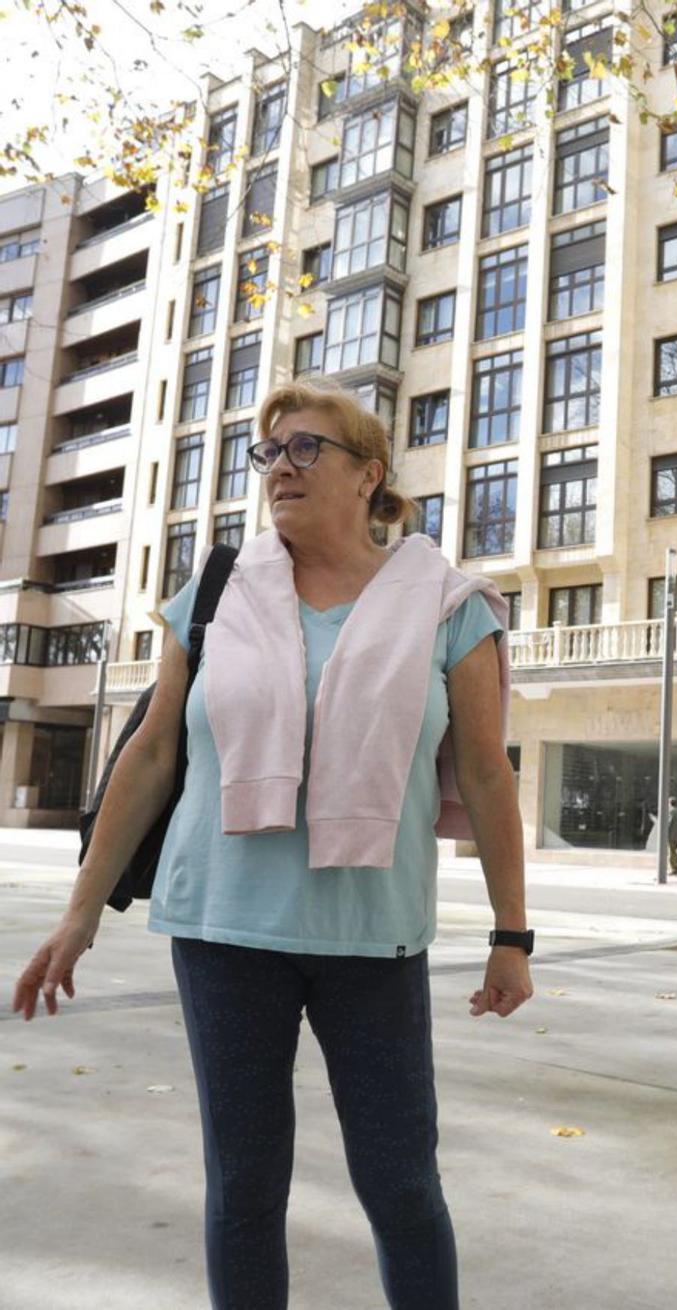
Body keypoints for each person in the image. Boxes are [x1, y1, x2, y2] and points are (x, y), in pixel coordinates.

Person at [11, 379, 534, 1310]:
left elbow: (489, 774)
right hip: (222, 932)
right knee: (244, 1188)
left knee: (403, 1188)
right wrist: (79, 915)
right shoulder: (214, 591)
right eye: (269, 452)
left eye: (305, 449)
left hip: (373, 938)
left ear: (368, 474)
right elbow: (152, 753)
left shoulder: (453, 607)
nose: (279, 468)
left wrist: (511, 933)